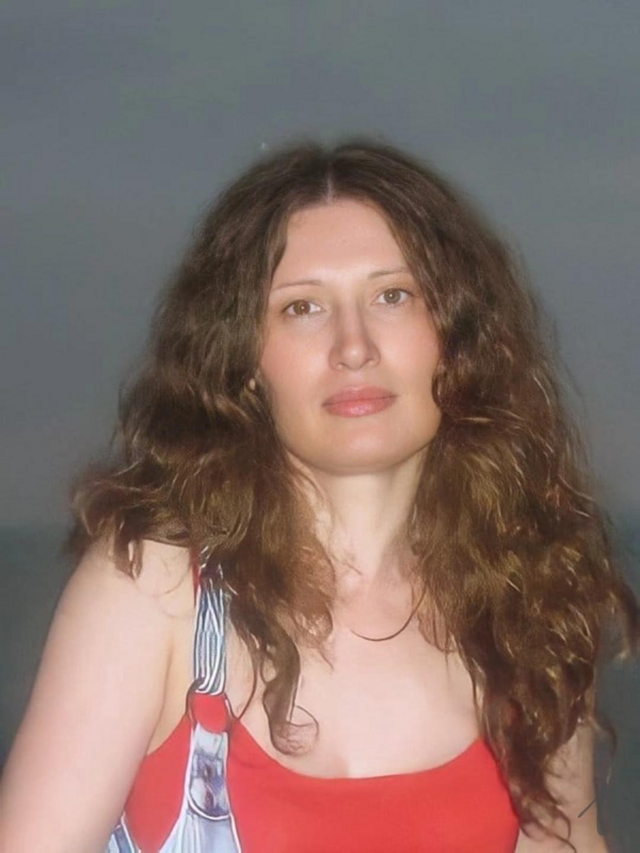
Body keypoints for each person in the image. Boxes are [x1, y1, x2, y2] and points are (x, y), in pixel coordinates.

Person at [0, 138, 637, 853]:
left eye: (392, 296)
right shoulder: (156, 591)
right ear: (244, 359)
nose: (353, 346)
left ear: (456, 338)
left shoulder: (529, 602)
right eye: (303, 307)